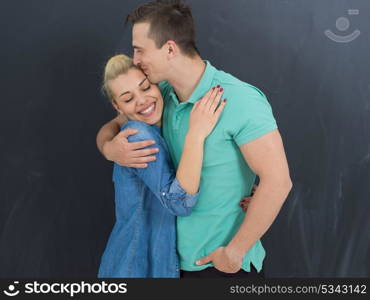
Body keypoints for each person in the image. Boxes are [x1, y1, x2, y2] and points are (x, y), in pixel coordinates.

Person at [97, 0, 292, 278]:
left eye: (140, 50)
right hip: (170, 266)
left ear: (169, 49)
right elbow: (112, 126)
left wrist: (234, 252)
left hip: (220, 266)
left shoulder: (238, 98)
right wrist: (109, 149)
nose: (135, 59)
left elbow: (278, 180)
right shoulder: (158, 95)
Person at [97, 54, 226, 278]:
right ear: (117, 106)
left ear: (157, 84)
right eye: (128, 99)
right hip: (134, 266)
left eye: (145, 87)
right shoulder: (139, 136)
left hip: (155, 263)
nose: (142, 100)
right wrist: (196, 133)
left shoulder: (165, 119)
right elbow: (179, 203)